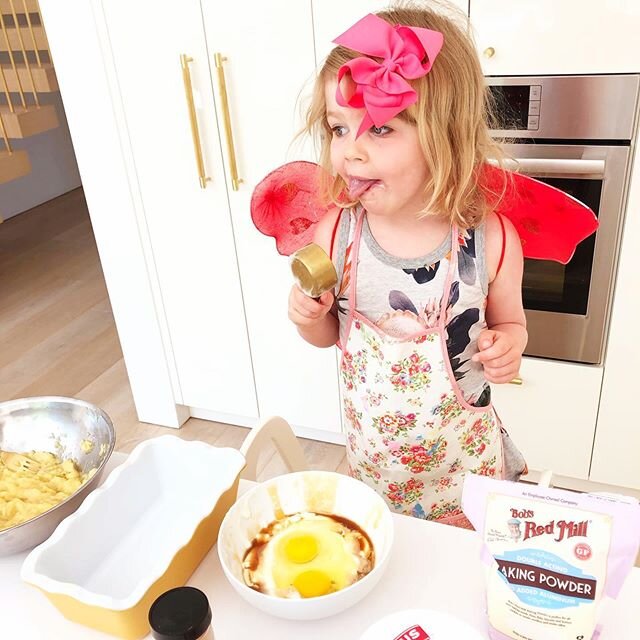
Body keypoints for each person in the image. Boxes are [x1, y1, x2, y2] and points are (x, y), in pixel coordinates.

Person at [288, 2, 527, 527]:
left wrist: (508, 347)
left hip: (466, 476)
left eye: (379, 130)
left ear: (446, 138)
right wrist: (309, 318)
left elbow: (512, 323)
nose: (349, 153)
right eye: (337, 128)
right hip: (375, 471)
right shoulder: (337, 235)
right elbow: (332, 335)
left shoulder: (492, 241)